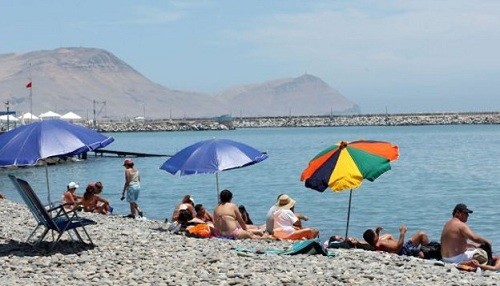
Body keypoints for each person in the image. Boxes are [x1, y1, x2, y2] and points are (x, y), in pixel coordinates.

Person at [362, 225, 430, 258]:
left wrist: (377, 232)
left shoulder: (376, 243)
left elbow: (375, 242)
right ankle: (427, 255)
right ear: (373, 238)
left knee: (421, 234)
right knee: (420, 253)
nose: (376, 233)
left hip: (404, 247)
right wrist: (402, 233)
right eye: (375, 233)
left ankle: (427, 250)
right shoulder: (381, 243)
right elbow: (398, 247)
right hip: (404, 250)